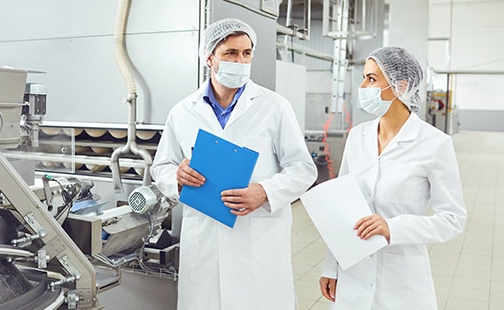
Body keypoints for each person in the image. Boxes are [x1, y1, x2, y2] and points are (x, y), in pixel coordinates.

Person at [150, 18, 317, 310]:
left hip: (258, 240)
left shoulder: (275, 107)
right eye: (231, 53)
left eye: (247, 53)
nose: (240, 61)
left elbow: (303, 168)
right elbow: (161, 166)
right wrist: (176, 176)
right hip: (204, 245)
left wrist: (264, 192)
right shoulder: (182, 112)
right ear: (209, 58)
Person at [318, 46, 467, 309]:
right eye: (364, 77)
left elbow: (452, 219)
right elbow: (340, 205)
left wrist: (393, 228)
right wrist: (332, 266)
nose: (363, 85)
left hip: (402, 281)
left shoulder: (434, 144)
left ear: (400, 85)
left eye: (372, 79)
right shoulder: (358, 136)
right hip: (353, 272)